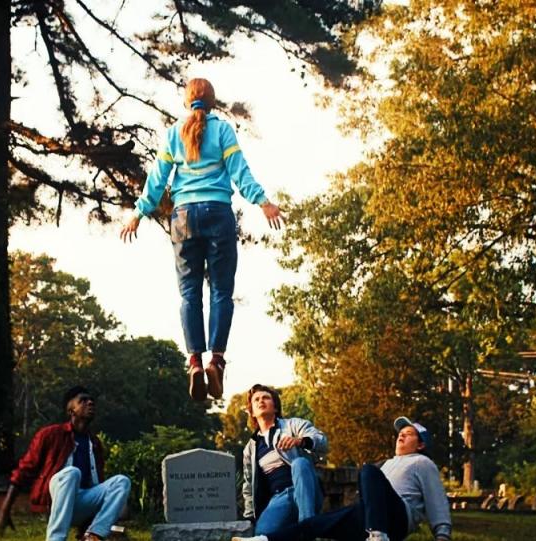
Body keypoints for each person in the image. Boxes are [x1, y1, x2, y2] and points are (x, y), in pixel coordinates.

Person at [119, 77, 284, 401]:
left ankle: (194, 361)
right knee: (221, 291)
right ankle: (217, 362)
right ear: (212, 102)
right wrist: (263, 202)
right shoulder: (222, 130)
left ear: (187, 102)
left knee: (189, 294)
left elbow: (156, 181)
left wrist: (138, 213)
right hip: (218, 214)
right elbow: (240, 172)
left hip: (183, 219)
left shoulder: (173, 134)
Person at [235, 416, 452, 541]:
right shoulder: (387, 463)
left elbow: (437, 500)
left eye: (409, 433)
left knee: (367, 470)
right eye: (400, 433)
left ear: (421, 444)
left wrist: (442, 535)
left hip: (397, 518)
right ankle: (263, 540)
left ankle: (377, 535)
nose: (401, 435)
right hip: (370, 516)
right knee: (313, 524)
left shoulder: (422, 463)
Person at [0, 386, 131, 541]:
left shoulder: (94, 443)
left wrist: (113, 508)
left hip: (81, 502)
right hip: (56, 498)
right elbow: (24, 470)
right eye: (83, 401)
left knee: (121, 481)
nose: (90, 403)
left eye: (92, 400)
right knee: (72, 473)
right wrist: (5, 509)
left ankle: (94, 535)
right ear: (71, 410)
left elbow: (97, 484)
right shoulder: (50, 434)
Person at [243, 384, 329, 536]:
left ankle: (307, 528)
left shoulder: (293, 425)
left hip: (306, 487)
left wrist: (300, 441)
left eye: (266, 398)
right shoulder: (250, 448)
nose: (261, 401)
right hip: (279, 497)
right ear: (252, 413)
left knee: (300, 463)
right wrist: (250, 517)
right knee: (262, 535)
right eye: (256, 399)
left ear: (275, 407)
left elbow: (322, 441)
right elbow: (249, 485)